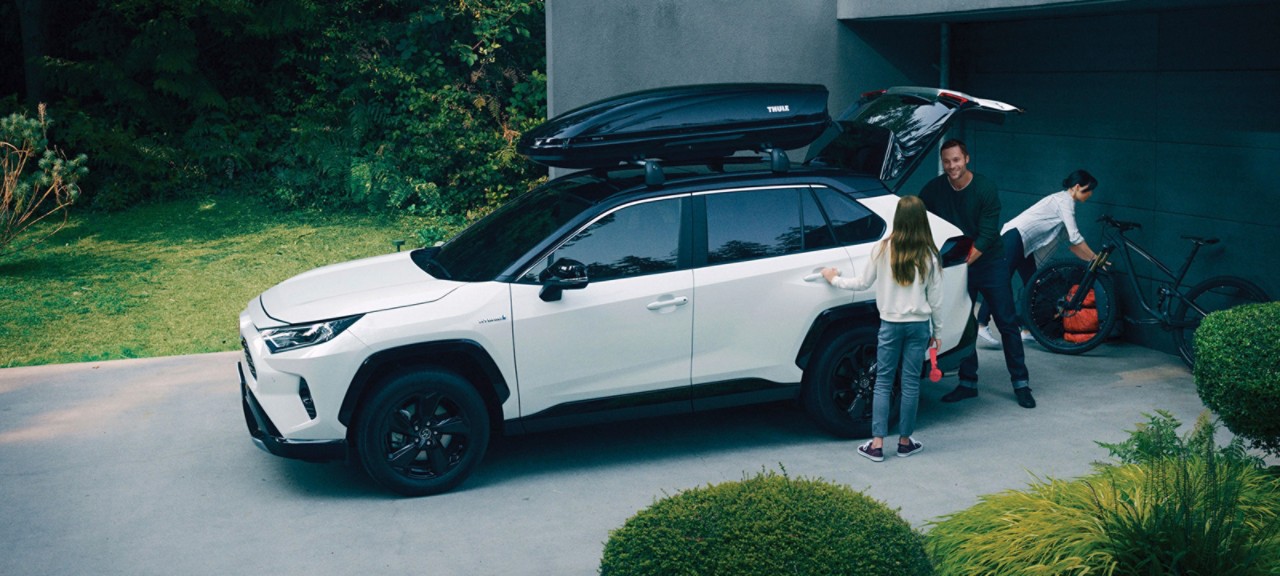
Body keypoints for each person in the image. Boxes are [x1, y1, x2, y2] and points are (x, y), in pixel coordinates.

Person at [821, 195, 942, 462]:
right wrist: (938, 333)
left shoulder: (882, 249)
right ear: (922, 220)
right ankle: (905, 442)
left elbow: (862, 283)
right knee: (910, 383)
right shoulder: (929, 255)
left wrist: (834, 279)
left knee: (883, 382)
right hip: (919, 326)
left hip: (890, 325)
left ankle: (876, 445)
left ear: (898, 219)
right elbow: (936, 300)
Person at [918, 138, 1034, 408]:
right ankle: (968, 383)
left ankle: (1021, 383)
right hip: (958, 265)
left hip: (990, 262)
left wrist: (958, 265)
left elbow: (987, 235)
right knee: (963, 324)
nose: (952, 166)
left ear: (966, 159)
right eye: (947, 161)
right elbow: (919, 220)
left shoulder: (984, 188)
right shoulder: (934, 189)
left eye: (956, 160)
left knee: (1006, 322)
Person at [976, 170, 1100, 346]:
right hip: (1015, 237)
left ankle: (1026, 329)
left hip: (1025, 245)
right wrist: (1095, 257)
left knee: (1034, 285)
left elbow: (1073, 245)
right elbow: (1075, 237)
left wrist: (1094, 261)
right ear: (1077, 187)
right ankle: (981, 323)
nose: (1091, 194)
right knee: (1001, 281)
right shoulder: (1065, 202)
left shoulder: (1064, 203)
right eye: (1089, 190)